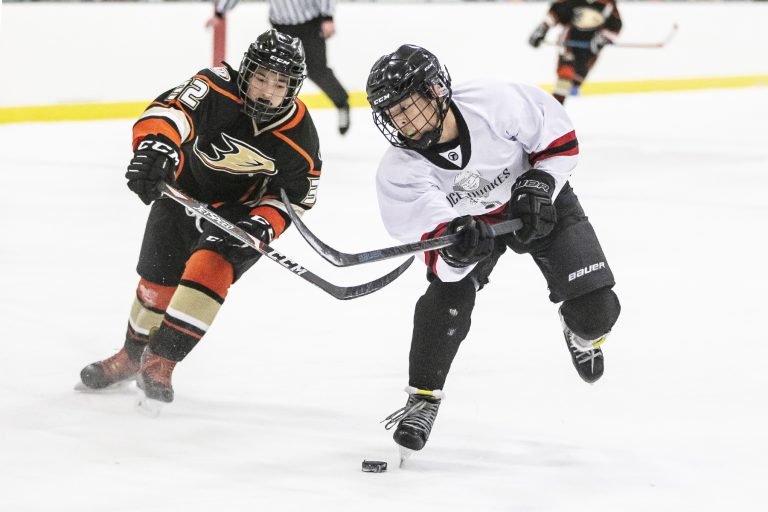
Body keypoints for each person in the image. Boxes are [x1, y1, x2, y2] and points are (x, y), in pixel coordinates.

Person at [367, 45, 621, 457]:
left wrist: (539, 184)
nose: (402, 124)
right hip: (474, 229)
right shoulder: (401, 170)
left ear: (436, 90)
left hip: (537, 205)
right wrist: (456, 250)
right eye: (391, 115)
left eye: (407, 108)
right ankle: (423, 398)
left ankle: (582, 335)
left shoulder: (496, 103)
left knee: (598, 313)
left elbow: (559, 146)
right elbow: (436, 253)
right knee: (446, 299)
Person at [79, 29, 323, 405]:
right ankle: (131, 356)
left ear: (293, 88)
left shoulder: (301, 134)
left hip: (237, 215)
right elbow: (172, 111)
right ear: (245, 71)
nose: (266, 90)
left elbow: (297, 197)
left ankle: (162, 361)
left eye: (279, 83)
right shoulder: (215, 87)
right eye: (260, 77)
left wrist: (262, 224)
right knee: (156, 282)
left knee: (210, 270)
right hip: (183, 193)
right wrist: (157, 145)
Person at [207, 0, 350, 135]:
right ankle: (273, 121)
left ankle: (341, 102)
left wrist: (328, 16)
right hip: (281, 27)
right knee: (275, 75)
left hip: (310, 24)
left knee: (318, 72)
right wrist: (220, 12)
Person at [528, 0, 623, 104]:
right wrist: (543, 28)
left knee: (577, 80)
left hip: (590, 50)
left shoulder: (607, 4)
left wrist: (602, 38)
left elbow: (615, 25)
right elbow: (556, 13)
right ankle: (556, 105)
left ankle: (567, 93)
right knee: (565, 74)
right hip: (569, 45)